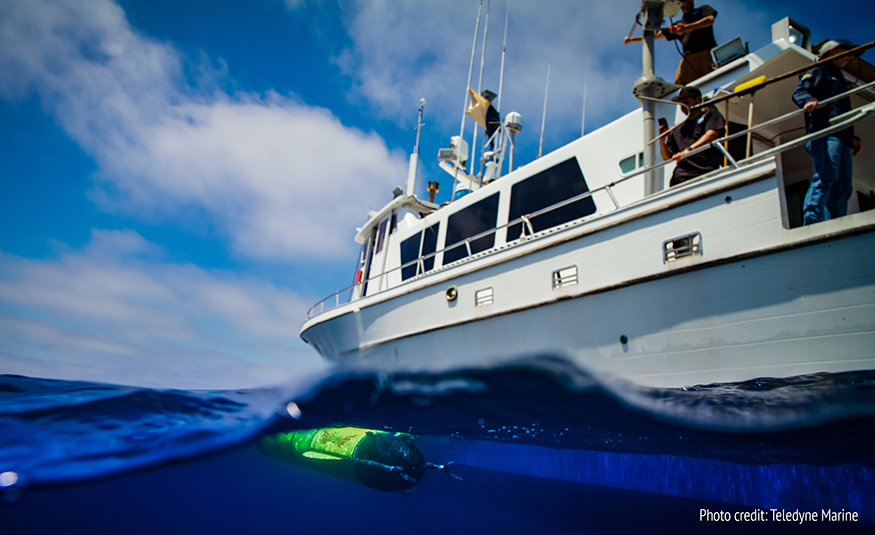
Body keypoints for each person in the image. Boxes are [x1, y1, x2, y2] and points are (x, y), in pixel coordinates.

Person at [792, 39, 864, 225]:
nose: (850, 57)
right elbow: (800, 92)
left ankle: (838, 225)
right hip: (824, 133)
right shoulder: (818, 70)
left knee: (844, 187)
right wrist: (808, 101)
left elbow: (839, 110)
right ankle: (812, 222)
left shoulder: (838, 77)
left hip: (843, 137)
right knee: (826, 177)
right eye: (847, 51)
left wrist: (852, 138)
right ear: (832, 51)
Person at [624, 1, 718, 85]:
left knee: (716, 78)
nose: (689, 1)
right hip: (689, 58)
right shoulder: (677, 25)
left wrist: (687, 28)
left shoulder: (702, 10)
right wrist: (632, 40)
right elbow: (655, 36)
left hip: (706, 54)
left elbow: (710, 20)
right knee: (681, 86)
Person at [660, 86, 726, 186]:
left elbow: (711, 135)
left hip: (707, 172)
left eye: (686, 102)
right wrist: (662, 140)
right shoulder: (677, 129)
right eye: (681, 105)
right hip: (680, 178)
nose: (683, 107)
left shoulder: (710, 115)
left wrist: (689, 150)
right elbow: (667, 157)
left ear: (698, 99)